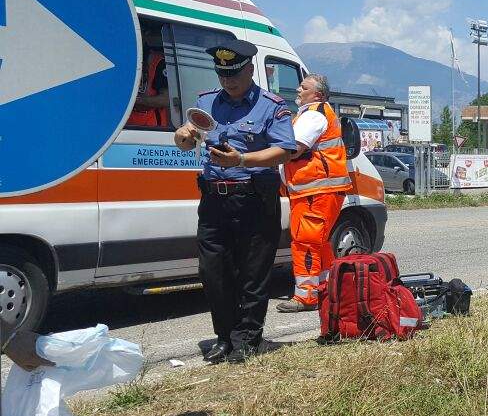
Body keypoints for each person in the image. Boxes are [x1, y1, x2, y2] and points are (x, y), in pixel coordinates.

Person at [173, 39, 297, 363]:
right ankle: (225, 336)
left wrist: (242, 160)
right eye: (222, 74)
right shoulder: (206, 102)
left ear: (250, 69)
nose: (228, 80)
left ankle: (247, 339)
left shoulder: (272, 106)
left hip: (254, 198)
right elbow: (188, 137)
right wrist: (183, 136)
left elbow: (285, 149)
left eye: (235, 74)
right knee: (213, 272)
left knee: (253, 274)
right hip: (214, 199)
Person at [276, 73, 353, 312]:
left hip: (315, 191)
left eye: (303, 87)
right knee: (318, 243)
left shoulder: (313, 114)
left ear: (317, 94)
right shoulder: (318, 113)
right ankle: (326, 290)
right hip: (317, 190)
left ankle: (306, 296)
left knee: (306, 242)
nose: (298, 90)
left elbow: (295, 149)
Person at [128, 30, 170, 128]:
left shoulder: (158, 61)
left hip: (151, 129)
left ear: (145, 35)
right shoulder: (124, 59)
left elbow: (165, 99)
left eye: (137, 32)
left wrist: (135, 100)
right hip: (123, 126)